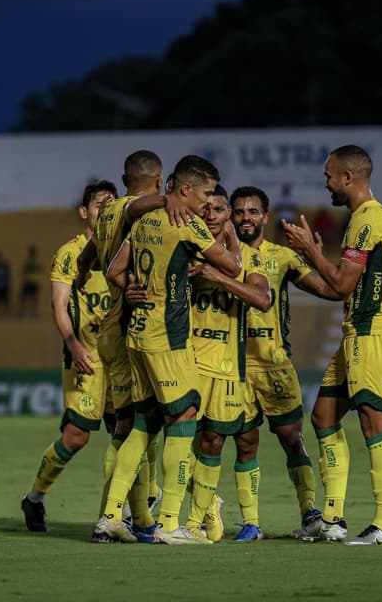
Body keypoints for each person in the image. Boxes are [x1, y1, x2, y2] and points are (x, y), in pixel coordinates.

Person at [101, 156, 242, 545]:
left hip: (137, 335)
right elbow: (231, 267)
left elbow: (114, 272)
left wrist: (132, 287)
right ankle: (168, 524)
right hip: (169, 337)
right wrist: (229, 235)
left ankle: (111, 515)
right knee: (184, 417)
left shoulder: (142, 221)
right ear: (185, 189)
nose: (208, 201)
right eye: (206, 192)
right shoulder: (188, 224)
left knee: (144, 423)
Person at [282, 144, 382, 546]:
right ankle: (333, 519)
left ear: (348, 178)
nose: (326, 182)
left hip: (373, 333)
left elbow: (342, 284)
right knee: (324, 417)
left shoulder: (368, 221)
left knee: (374, 425)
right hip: (355, 332)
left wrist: (311, 251)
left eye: (329, 175)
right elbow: (340, 288)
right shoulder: (363, 219)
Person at [74, 149, 197, 541]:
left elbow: (87, 259)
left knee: (139, 423)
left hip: (111, 325)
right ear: (160, 180)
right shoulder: (136, 209)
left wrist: (80, 279)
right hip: (135, 325)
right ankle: (113, 517)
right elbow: (140, 207)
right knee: (134, 425)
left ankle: (139, 518)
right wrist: (170, 201)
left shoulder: (106, 213)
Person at [228, 186, 342, 541]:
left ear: (265, 216)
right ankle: (251, 522)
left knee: (292, 439)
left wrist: (315, 253)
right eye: (239, 212)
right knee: (245, 442)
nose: (245, 217)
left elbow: (331, 291)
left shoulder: (282, 257)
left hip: (275, 362)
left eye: (252, 211)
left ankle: (310, 513)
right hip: (234, 365)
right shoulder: (222, 255)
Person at [21, 180, 118, 534]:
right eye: (98, 204)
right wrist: (73, 344)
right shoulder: (69, 252)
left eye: (112, 203)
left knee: (126, 433)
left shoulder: (129, 250)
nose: (105, 208)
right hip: (87, 355)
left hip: (123, 359)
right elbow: (58, 305)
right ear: (84, 212)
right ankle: (34, 498)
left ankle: (118, 513)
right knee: (77, 436)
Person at [177, 185, 271, 542]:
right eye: (206, 209)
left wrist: (216, 276)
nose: (211, 215)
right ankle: (206, 505)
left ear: (227, 215)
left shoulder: (248, 257)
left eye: (218, 209)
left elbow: (262, 298)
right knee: (176, 443)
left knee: (214, 441)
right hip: (186, 360)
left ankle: (198, 522)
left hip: (227, 364)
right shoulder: (184, 250)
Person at [18, 245, 43, 317]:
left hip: (31, 281)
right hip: (31, 281)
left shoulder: (30, 261)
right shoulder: (35, 261)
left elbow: (24, 270)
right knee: (27, 297)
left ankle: (31, 312)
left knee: (31, 298)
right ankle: (27, 312)